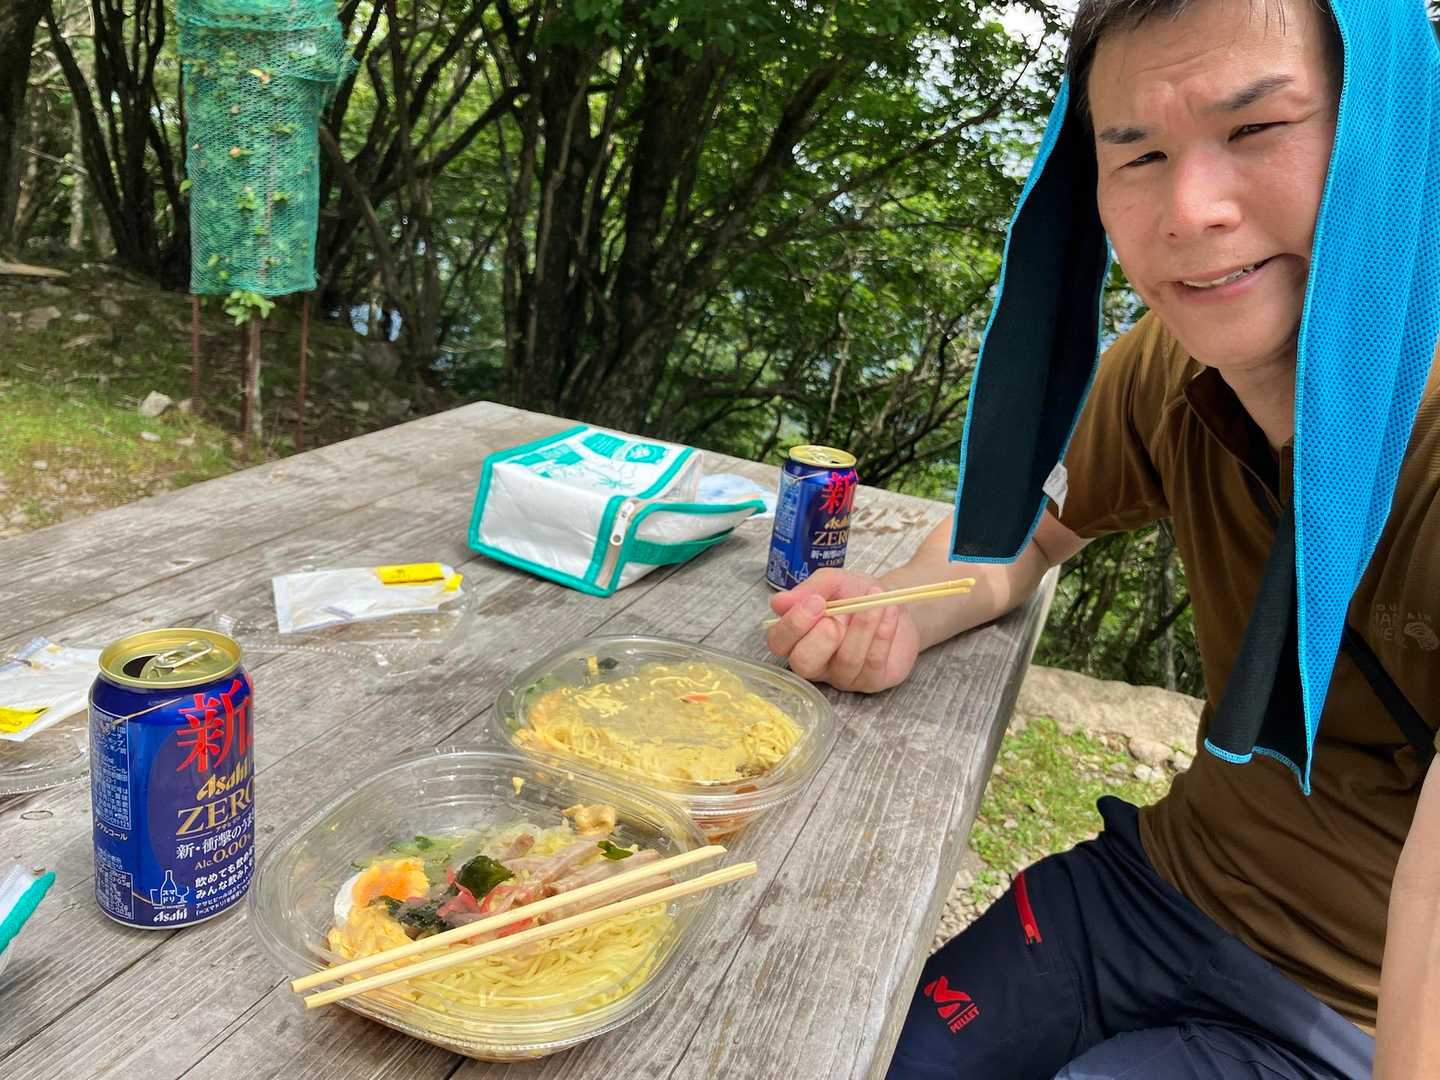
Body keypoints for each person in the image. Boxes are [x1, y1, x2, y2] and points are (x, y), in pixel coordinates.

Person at [766, 1, 1440, 1076]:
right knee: (849, 1056)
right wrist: (899, 616)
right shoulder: (1169, 369)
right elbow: (1026, 540)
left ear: (1389, 128)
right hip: (1152, 889)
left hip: (1344, 1012)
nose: (1191, 210)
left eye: (1257, 128)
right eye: (1139, 154)